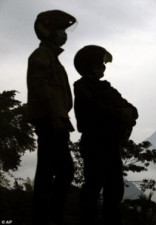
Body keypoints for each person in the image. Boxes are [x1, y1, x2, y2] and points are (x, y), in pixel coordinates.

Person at [73, 45, 138, 225]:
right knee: (93, 186)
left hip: (110, 144)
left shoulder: (107, 89)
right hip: (94, 143)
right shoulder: (81, 86)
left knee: (115, 188)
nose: (103, 67)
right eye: (99, 63)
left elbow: (132, 109)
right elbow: (94, 110)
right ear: (88, 65)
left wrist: (126, 113)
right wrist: (120, 113)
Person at [26, 10, 77, 225]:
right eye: (60, 30)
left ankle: (46, 215)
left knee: (52, 169)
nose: (64, 34)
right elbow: (41, 89)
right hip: (50, 121)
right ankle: (48, 216)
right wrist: (55, 117)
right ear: (48, 31)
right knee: (60, 170)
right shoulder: (42, 56)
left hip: (57, 120)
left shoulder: (52, 58)